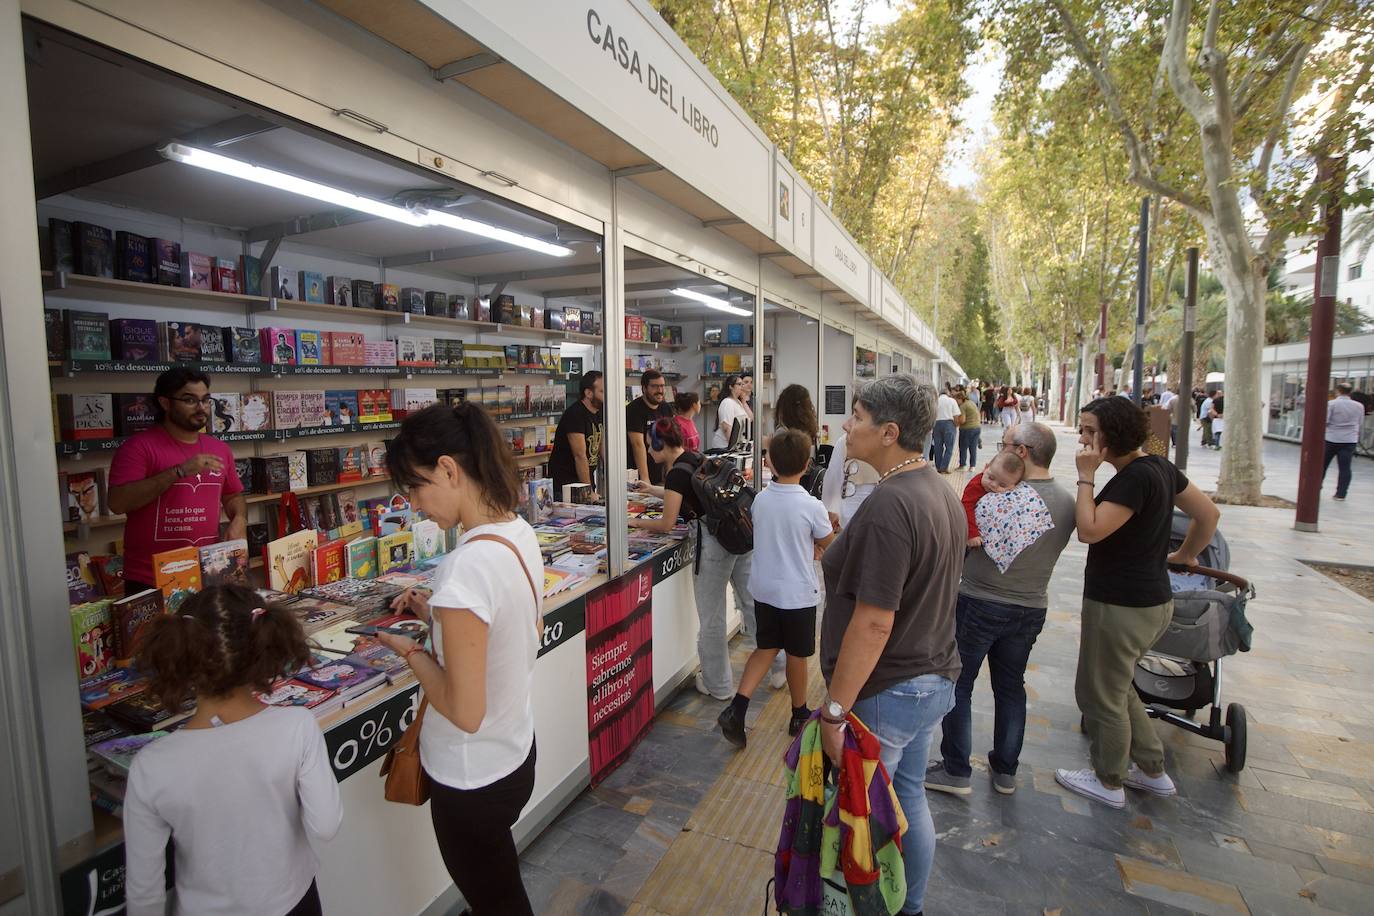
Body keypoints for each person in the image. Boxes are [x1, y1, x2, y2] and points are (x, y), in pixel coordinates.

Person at [374, 402, 543, 913]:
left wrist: (411, 651)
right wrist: (438, 619)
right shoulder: (518, 532)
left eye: (416, 487)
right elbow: (509, 633)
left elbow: (465, 712)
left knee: (499, 903)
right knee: (496, 889)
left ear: (449, 468)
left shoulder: (464, 568)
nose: (415, 505)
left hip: (471, 778)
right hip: (514, 754)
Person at [819, 375, 964, 916]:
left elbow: (875, 622)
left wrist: (835, 710)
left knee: (863, 813)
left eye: (856, 416)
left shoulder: (890, 505)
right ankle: (911, 907)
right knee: (908, 800)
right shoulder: (936, 490)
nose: (846, 426)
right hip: (930, 678)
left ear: (889, 432)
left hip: (886, 691)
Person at [123, 585, 341, 916]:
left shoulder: (151, 765)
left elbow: (144, 895)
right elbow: (326, 825)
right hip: (294, 901)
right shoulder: (296, 726)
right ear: (264, 648)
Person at [1056, 397, 1220, 809]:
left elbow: (1090, 530)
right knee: (1119, 686)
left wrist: (1085, 477)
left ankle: (1108, 780)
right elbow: (1208, 514)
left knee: (1098, 693)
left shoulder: (1133, 478)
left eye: (1091, 430)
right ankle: (1151, 770)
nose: (1084, 438)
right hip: (1151, 601)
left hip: (1120, 604)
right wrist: (1184, 555)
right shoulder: (1160, 468)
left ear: (1113, 434)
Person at [926, 423, 1076, 796]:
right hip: (1031, 606)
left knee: (958, 683)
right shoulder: (1067, 502)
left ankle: (957, 769)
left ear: (1021, 452)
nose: (998, 454)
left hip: (979, 600)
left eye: (1004, 446)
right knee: (1011, 687)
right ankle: (1006, 770)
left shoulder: (994, 495)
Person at [717, 428, 835, 747]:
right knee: (797, 654)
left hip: (765, 588)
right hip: (797, 593)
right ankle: (799, 713)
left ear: (769, 462)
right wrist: (824, 540)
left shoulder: (761, 500)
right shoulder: (812, 506)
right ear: (808, 464)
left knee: (766, 647)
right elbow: (829, 544)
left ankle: (737, 709)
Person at [628, 418, 760, 700]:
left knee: (711, 617)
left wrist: (634, 523)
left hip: (712, 544)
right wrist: (650, 489)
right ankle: (776, 665)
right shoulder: (696, 457)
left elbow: (666, 523)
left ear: (661, 444)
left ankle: (718, 685)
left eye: (651, 446)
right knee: (751, 604)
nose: (649, 451)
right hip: (737, 537)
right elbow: (685, 492)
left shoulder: (675, 474)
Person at [107, 367, 247, 595]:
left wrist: (239, 518)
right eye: (190, 400)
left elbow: (233, 495)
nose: (201, 408)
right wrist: (179, 471)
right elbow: (118, 502)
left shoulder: (219, 449)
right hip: (150, 578)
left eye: (205, 400)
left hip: (209, 572)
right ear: (165, 403)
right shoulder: (138, 448)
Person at [548, 370, 604, 499]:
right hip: (566, 486)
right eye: (602, 391)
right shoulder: (575, 414)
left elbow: (602, 447)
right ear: (588, 393)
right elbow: (580, 456)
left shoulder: (599, 412)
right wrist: (588, 492)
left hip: (584, 481)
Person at [959, 450, 1025, 548]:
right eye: (991, 478)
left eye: (1002, 485)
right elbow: (965, 508)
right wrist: (972, 534)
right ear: (985, 468)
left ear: (1013, 487)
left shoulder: (1016, 494)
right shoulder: (975, 486)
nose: (993, 485)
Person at [820, 430, 880, 531]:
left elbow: (833, 475)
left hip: (851, 505)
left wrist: (829, 509)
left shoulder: (846, 439)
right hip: (873, 505)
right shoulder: (889, 440)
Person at [626, 369, 673, 485]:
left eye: (662, 386)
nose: (660, 390)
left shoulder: (665, 408)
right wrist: (645, 478)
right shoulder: (633, 410)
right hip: (637, 474)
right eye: (655, 386)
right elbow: (637, 445)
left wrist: (670, 473)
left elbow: (669, 442)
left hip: (659, 473)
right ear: (644, 388)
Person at [1324, 382, 1364, 501]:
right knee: (1345, 467)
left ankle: (1317, 488)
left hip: (1332, 438)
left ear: (1338, 391)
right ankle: (1341, 494)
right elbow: (1360, 422)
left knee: (1323, 465)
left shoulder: (1331, 404)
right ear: (1350, 392)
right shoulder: (1359, 406)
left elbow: (1326, 420)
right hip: (1349, 439)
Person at [713, 375, 751, 450]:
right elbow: (726, 428)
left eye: (742, 384)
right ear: (731, 387)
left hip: (737, 445)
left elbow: (750, 418)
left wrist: (743, 401)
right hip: (724, 446)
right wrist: (733, 447)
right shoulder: (727, 403)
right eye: (739, 384)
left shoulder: (738, 402)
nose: (742, 387)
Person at [932, 386, 959, 473]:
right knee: (949, 447)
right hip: (949, 424)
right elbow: (956, 415)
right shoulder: (952, 401)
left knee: (938, 447)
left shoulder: (935, 401)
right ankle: (944, 467)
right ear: (948, 394)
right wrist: (955, 425)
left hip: (936, 424)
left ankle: (938, 466)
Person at [955, 388, 981, 471]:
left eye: (956, 400)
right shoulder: (971, 403)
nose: (956, 402)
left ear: (960, 399)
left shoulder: (963, 406)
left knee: (963, 447)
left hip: (967, 429)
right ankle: (972, 466)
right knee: (973, 447)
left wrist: (955, 422)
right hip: (977, 427)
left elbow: (962, 420)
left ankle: (962, 465)